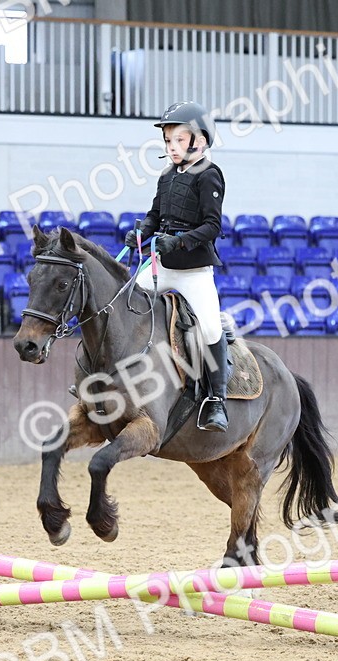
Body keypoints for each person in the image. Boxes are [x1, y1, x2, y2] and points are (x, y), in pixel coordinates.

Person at [124, 101, 229, 432]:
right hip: (164, 264)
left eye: (178, 140)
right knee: (125, 300)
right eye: (168, 141)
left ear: (198, 140)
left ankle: (217, 401)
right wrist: (142, 230)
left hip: (194, 271)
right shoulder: (167, 175)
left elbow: (213, 226)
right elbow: (156, 215)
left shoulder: (209, 175)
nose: (171, 147)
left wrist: (180, 241)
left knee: (211, 328)